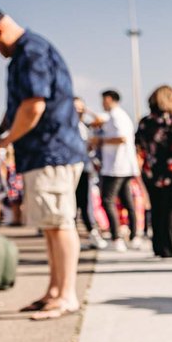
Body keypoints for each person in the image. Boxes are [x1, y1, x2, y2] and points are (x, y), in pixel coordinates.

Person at [0, 9, 87, 319]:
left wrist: (4, 141)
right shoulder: (24, 54)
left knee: (60, 222)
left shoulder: (31, 50)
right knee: (51, 225)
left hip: (52, 151)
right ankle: (54, 291)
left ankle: (66, 296)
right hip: (42, 153)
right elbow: (16, 108)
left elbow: (33, 106)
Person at [136, 85, 172, 258]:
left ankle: (158, 246)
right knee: (171, 210)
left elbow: (138, 145)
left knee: (156, 210)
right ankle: (169, 248)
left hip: (151, 171)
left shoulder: (145, 121)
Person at [92, 90, 141, 251]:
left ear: (110, 99)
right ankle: (134, 236)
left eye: (104, 100)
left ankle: (116, 238)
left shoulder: (116, 116)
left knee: (108, 200)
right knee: (127, 201)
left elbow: (122, 138)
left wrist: (100, 140)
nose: (102, 103)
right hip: (124, 166)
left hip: (116, 167)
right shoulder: (118, 116)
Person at [72, 97, 107, 249]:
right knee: (73, 205)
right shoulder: (68, 126)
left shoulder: (84, 125)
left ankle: (92, 233)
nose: (78, 110)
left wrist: (87, 111)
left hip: (85, 169)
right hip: (73, 169)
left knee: (85, 204)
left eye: (81, 107)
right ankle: (74, 239)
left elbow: (100, 120)